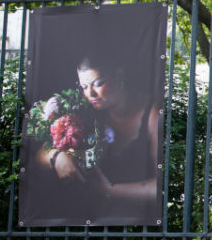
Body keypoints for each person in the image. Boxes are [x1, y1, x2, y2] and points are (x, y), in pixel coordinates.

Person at [34, 56, 160, 209]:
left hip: (132, 218)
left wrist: (109, 190)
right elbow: (40, 155)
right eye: (84, 87)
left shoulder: (152, 113)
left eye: (98, 83)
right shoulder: (85, 109)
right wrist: (57, 157)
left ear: (119, 76)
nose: (91, 94)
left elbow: (161, 185)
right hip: (81, 213)